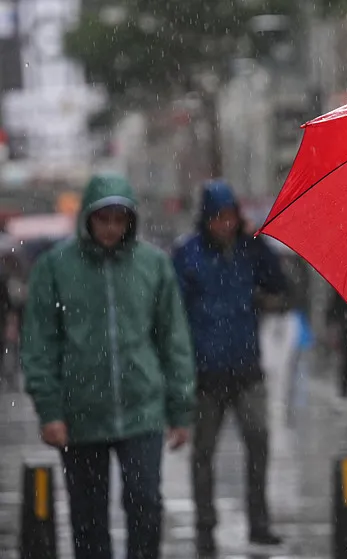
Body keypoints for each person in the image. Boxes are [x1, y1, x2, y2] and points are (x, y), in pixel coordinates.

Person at [21, 174, 195, 559]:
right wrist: (50, 410)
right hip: (81, 413)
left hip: (142, 410)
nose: (112, 228)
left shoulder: (153, 265)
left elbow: (173, 339)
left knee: (146, 505)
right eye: (104, 219)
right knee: (88, 518)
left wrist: (180, 408)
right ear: (88, 218)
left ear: (130, 220)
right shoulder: (56, 268)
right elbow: (40, 344)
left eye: (120, 219)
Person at [172, 179, 288, 555]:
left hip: (246, 368)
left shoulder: (249, 251)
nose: (225, 224)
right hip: (206, 373)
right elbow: (174, 311)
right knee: (203, 453)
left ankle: (260, 521)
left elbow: (280, 283)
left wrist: (258, 244)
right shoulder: (187, 255)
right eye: (218, 217)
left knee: (259, 442)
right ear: (206, 219)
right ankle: (205, 525)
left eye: (230, 217)